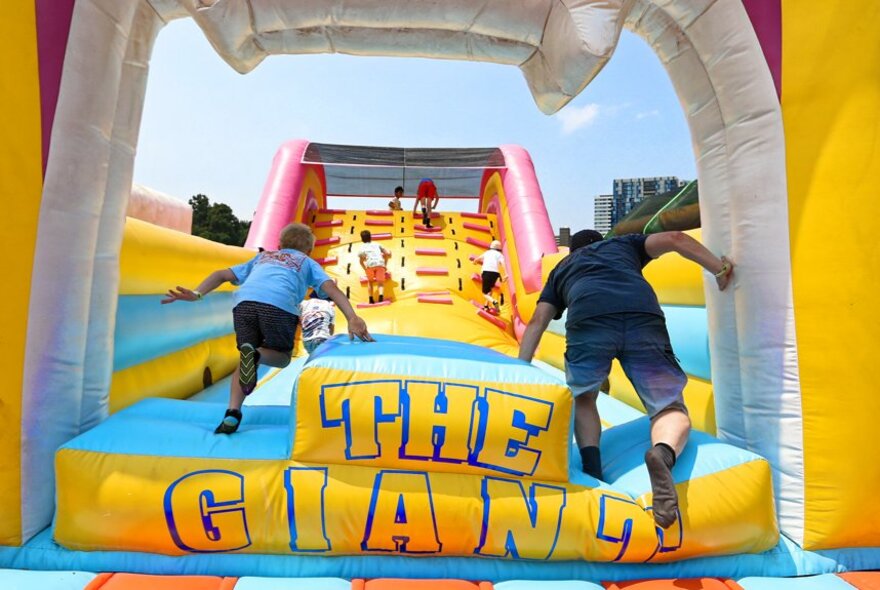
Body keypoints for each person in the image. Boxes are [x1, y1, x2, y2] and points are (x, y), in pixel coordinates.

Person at [517, 229, 734, 529]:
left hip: (589, 319)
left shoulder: (562, 268)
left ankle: (593, 470)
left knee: (585, 397)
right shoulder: (624, 245)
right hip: (640, 314)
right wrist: (719, 269)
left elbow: (537, 320)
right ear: (604, 242)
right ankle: (663, 454)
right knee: (669, 408)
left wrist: (520, 370)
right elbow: (675, 239)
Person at [162, 222, 373, 434]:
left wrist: (197, 294)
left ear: (279, 244)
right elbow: (331, 288)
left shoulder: (262, 257)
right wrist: (352, 317)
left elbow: (221, 274)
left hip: (244, 306)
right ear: (309, 250)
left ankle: (232, 413)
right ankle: (255, 355)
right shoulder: (306, 262)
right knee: (281, 357)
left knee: (245, 355)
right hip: (278, 308)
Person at [358, 229, 391, 304]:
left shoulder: (362, 248)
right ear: (370, 237)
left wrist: (365, 269)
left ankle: (371, 298)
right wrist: (385, 264)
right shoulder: (377, 244)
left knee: (370, 281)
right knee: (380, 282)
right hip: (380, 264)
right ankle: (381, 296)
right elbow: (386, 253)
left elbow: (361, 261)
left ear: (362, 239)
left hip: (370, 265)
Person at [299, 288, 336, 355]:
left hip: (307, 340)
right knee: (322, 360)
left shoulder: (304, 303)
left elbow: (298, 319)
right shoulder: (329, 306)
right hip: (322, 337)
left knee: (313, 359)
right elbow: (331, 329)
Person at [473, 239, 505, 312]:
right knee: (490, 290)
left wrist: (474, 262)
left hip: (486, 273)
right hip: (495, 274)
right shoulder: (500, 255)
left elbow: (477, 259)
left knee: (484, 293)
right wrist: (506, 274)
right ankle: (486, 306)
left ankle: (494, 301)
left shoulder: (487, 253)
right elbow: (503, 263)